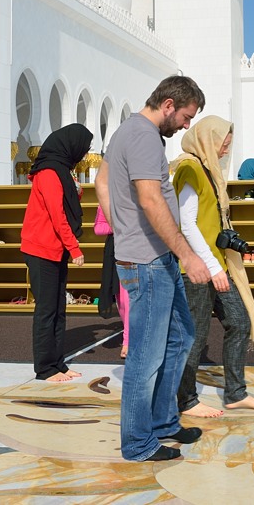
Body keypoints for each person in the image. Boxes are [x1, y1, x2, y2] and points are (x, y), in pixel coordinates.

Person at [95, 75, 210, 462]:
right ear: (168, 105)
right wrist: (188, 255)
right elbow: (149, 199)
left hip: (152, 256)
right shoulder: (143, 136)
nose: (186, 125)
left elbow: (101, 181)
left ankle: (163, 422)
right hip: (149, 262)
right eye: (185, 116)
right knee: (146, 355)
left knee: (181, 337)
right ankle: (138, 442)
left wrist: (121, 228)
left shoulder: (129, 130)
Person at [172, 116, 254, 418]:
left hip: (215, 263)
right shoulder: (188, 167)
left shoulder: (208, 171)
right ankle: (185, 400)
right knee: (196, 336)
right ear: (208, 140)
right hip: (198, 269)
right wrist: (214, 267)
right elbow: (187, 224)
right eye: (223, 143)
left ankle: (235, 393)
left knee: (239, 322)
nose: (226, 150)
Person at [20, 123, 93, 382]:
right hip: (41, 248)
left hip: (55, 247)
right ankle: (44, 368)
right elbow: (56, 212)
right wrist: (74, 247)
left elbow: (68, 204)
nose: (84, 155)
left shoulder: (64, 171)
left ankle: (58, 363)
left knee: (59, 308)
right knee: (47, 310)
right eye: (83, 149)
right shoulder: (50, 172)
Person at [95, 204, 131, 358]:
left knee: (130, 299)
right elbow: (98, 228)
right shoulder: (107, 199)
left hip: (139, 249)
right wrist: (118, 226)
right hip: (116, 251)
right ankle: (129, 337)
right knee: (122, 300)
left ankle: (128, 341)